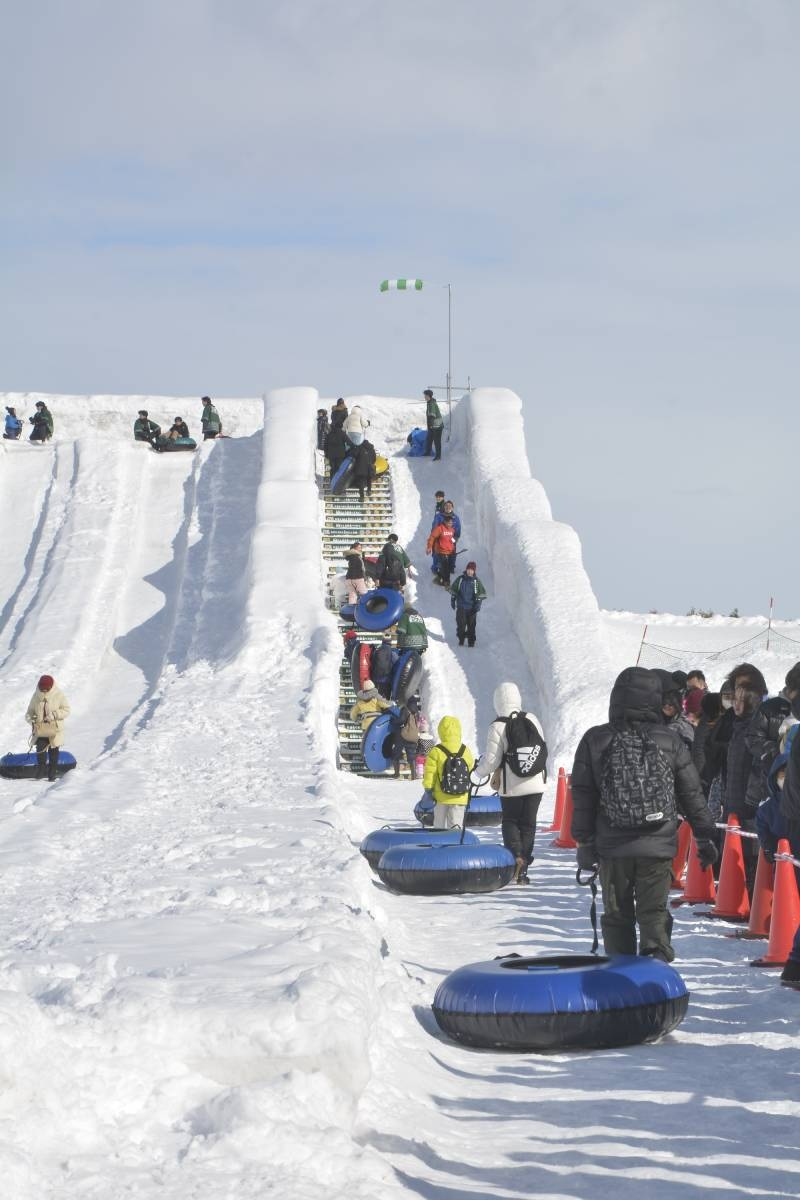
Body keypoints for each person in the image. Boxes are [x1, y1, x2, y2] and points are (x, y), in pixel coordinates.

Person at [571, 666, 717, 962]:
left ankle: (620, 974)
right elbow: (691, 794)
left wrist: (584, 842)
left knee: (617, 916)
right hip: (657, 845)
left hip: (613, 846)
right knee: (654, 913)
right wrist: (704, 837)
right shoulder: (669, 740)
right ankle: (655, 972)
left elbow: (584, 796)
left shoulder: (595, 740)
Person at [482, 682, 547, 884]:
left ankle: (515, 858)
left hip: (512, 786)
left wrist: (476, 773)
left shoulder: (497, 726)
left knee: (510, 821)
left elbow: (491, 761)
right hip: (535, 782)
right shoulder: (532, 718)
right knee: (529, 824)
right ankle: (524, 868)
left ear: (497, 702)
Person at [422, 716, 475, 829]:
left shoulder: (436, 751)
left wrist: (428, 788)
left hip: (441, 795)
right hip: (460, 795)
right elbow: (470, 770)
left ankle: (439, 839)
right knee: (456, 826)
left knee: (439, 825)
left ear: (441, 731)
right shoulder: (465, 750)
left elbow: (430, 772)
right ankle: (455, 840)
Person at [25, 674, 70, 782]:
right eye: (42, 688)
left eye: (46, 688)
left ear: (51, 686)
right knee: (40, 749)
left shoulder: (59, 694)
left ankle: (52, 773)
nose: (44, 690)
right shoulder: (36, 696)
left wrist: (54, 715)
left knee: (53, 751)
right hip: (41, 729)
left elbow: (66, 710)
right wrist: (32, 720)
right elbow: (29, 712)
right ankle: (41, 770)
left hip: (55, 729)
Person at [653, 669, 695, 748]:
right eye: (664, 702)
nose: (667, 705)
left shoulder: (682, 726)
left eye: (671, 703)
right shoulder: (655, 716)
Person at [450, 561, 487, 647]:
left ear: (474, 571)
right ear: (466, 570)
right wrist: (452, 600)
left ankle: (471, 641)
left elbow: (480, 595)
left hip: (471, 608)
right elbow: (454, 590)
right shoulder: (460, 579)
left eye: (472, 570)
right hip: (461, 606)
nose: (470, 571)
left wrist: (477, 606)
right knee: (461, 625)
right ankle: (461, 638)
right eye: (468, 569)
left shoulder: (476, 581)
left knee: (471, 626)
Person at [390, 697, 421, 779]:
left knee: (396, 752)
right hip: (414, 735)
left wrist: (392, 721)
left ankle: (396, 773)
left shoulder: (406, 709)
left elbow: (401, 720)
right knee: (411, 756)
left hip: (404, 735)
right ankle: (414, 775)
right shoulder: (417, 712)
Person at [426, 513, 458, 586]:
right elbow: (432, 537)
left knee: (446, 567)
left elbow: (451, 540)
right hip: (441, 551)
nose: (450, 524)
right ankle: (446, 582)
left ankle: (439, 578)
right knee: (445, 567)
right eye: (449, 522)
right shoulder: (439, 528)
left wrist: (454, 542)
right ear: (445, 522)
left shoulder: (452, 530)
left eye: (451, 523)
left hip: (449, 552)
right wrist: (429, 547)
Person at [370, 634, 397, 700]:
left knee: (376, 698)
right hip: (387, 680)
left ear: (382, 641)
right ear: (390, 642)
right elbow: (396, 663)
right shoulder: (392, 652)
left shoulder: (377, 651)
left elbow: (372, 663)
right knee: (386, 700)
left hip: (376, 680)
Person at [350, 437, 376, 502]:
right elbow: (374, 459)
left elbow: (354, 454)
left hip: (361, 468)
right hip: (369, 468)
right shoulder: (372, 449)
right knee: (369, 479)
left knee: (361, 483)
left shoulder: (359, 447)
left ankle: (362, 497)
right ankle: (369, 490)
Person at [423, 388, 443, 460]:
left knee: (437, 441)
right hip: (433, 425)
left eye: (425, 395)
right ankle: (428, 452)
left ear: (428, 396)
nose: (424, 397)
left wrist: (431, 425)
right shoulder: (429, 403)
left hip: (437, 425)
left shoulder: (431, 403)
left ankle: (438, 456)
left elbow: (432, 415)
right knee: (429, 438)